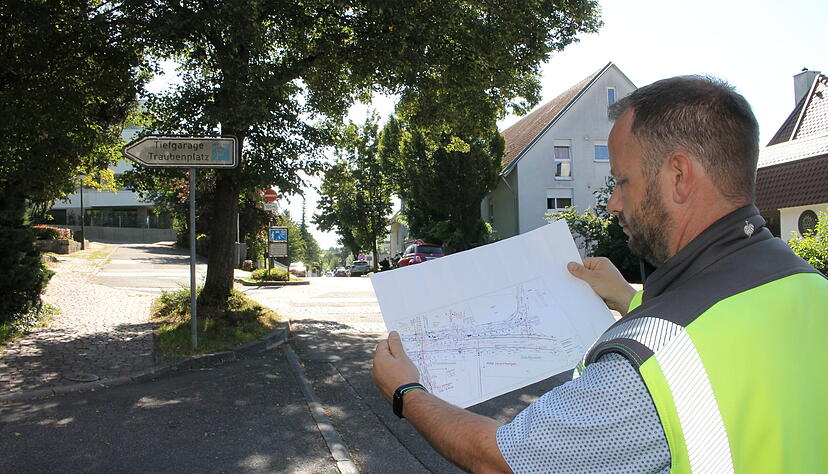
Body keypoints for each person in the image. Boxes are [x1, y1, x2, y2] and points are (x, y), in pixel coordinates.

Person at [372, 76, 828, 473]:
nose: (612, 203)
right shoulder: (811, 287)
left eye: (622, 181)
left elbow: (503, 460)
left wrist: (407, 392)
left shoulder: (647, 366)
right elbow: (728, 339)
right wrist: (631, 300)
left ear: (679, 176)